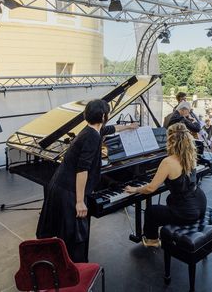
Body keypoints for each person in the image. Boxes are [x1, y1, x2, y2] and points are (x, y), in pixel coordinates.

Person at [36, 99, 138, 262]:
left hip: (60, 184)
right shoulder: (92, 137)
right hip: (68, 190)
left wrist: (128, 126)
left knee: (63, 233)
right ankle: (74, 272)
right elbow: (82, 170)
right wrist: (80, 201)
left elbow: (110, 128)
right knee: (74, 236)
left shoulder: (92, 129)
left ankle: (63, 267)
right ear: (104, 116)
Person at [124, 123, 207, 247]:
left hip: (187, 211)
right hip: (200, 202)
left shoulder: (168, 162)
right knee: (169, 200)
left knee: (151, 211)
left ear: (170, 140)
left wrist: (135, 189)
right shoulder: (190, 154)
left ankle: (152, 241)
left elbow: (151, 188)